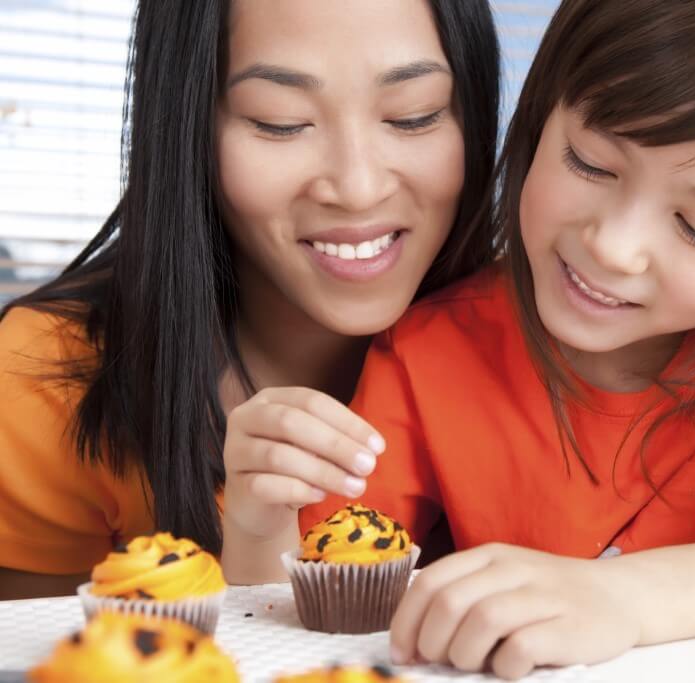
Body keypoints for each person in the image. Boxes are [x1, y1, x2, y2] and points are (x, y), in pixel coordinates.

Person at [301, 0, 695, 677]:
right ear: (543, 114)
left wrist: (620, 598)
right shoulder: (427, 352)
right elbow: (320, 591)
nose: (613, 246)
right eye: (590, 162)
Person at [0, 0, 499, 598]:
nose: (358, 187)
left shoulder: (554, 348)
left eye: (415, 116)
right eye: (280, 121)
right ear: (189, 129)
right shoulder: (48, 379)